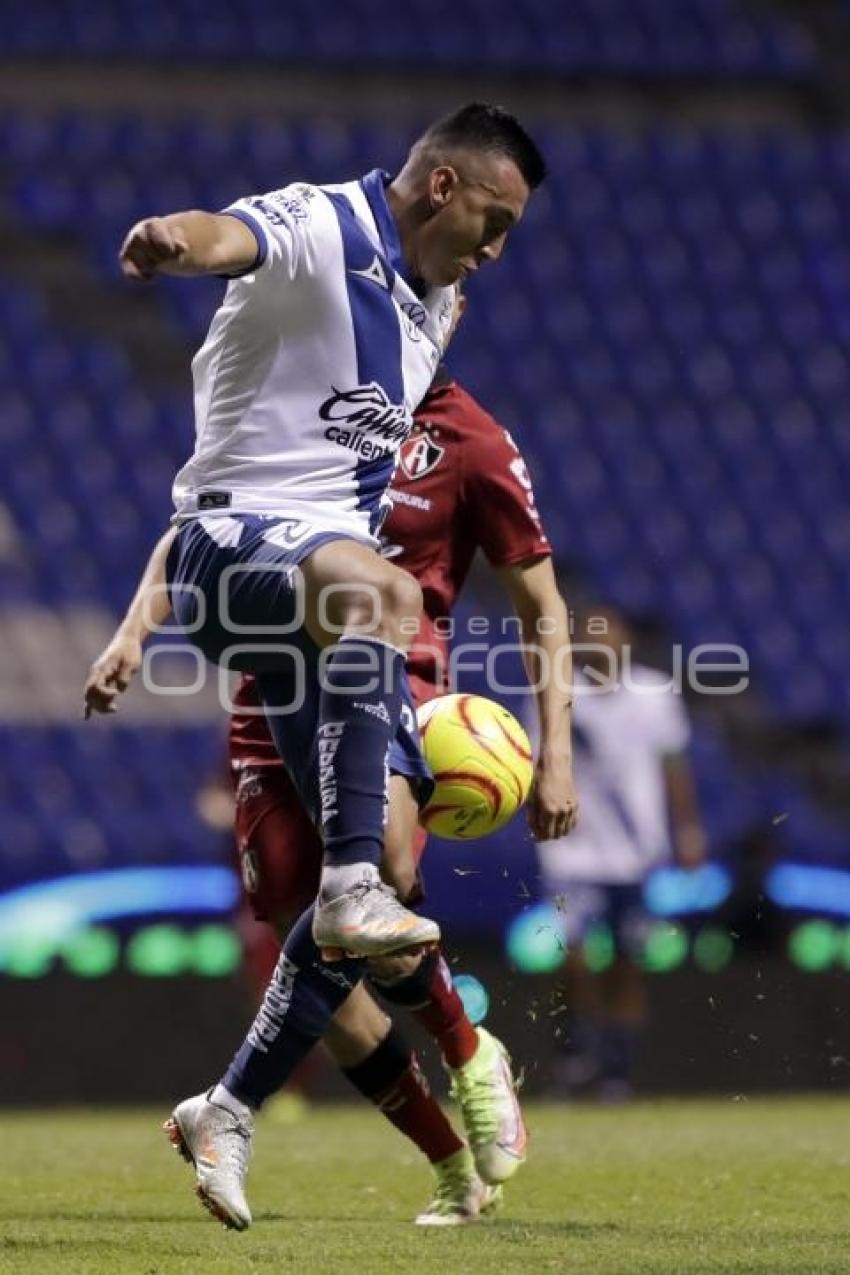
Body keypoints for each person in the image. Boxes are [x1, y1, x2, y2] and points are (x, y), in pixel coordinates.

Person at [86, 342, 578, 1225]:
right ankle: (451, 1164)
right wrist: (133, 634)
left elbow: (540, 604)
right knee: (328, 966)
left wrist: (560, 753)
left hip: (391, 672)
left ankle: (455, 1055)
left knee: (379, 872)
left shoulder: (472, 441)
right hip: (269, 689)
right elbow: (199, 523)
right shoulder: (300, 401)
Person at [536, 604, 705, 1100]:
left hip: (635, 853)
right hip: (573, 851)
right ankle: (574, 1057)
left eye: (608, 629)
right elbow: (534, 761)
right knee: (574, 959)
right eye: (591, 630)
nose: (600, 639)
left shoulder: (655, 694)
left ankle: (615, 1071)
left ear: (626, 639)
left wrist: (688, 829)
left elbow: (674, 766)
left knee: (629, 963)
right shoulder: (558, 693)